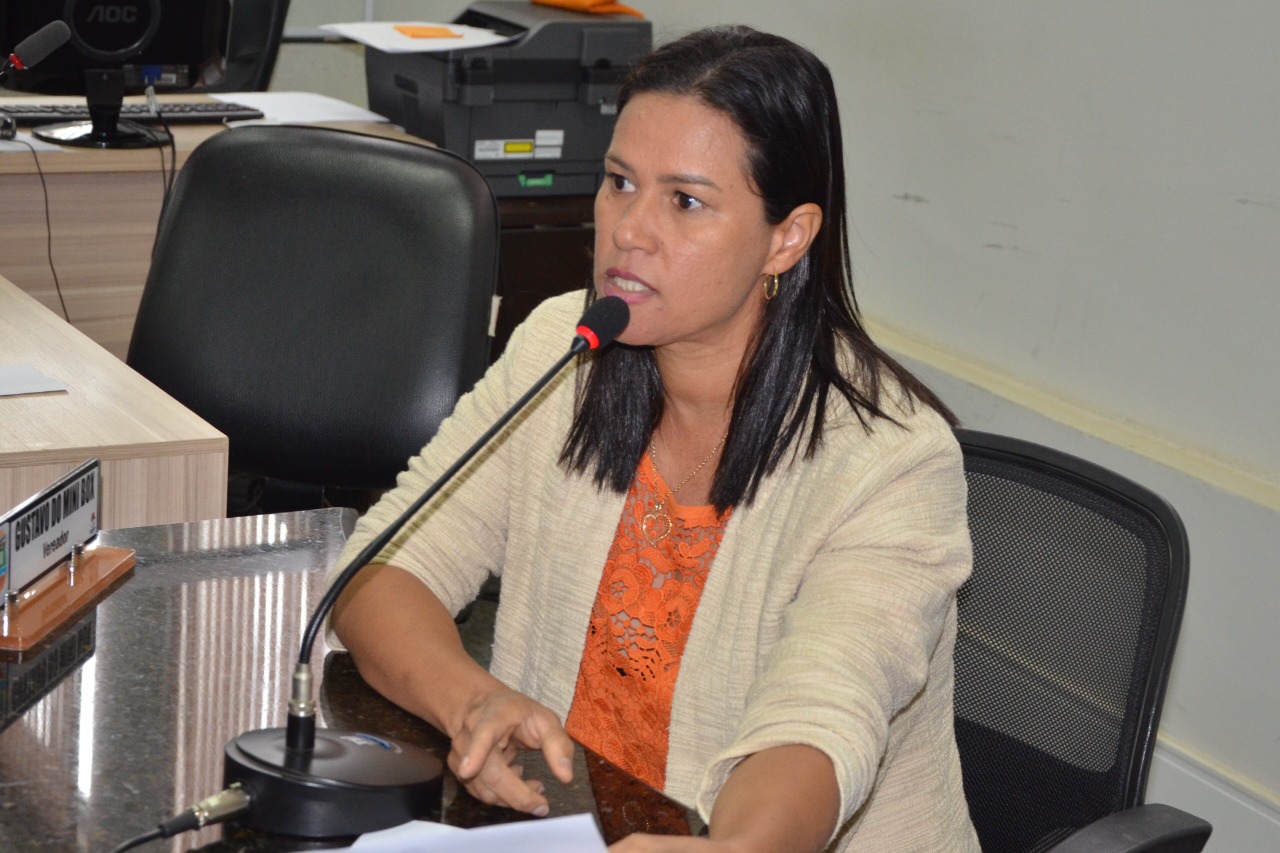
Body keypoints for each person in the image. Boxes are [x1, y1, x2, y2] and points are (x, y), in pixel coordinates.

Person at [328, 25, 980, 853]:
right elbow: (382, 571)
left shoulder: (893, 462)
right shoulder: (561, 349)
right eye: (620, 182)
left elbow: (820, 722)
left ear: (787, 237)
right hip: (570, 827)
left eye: (685, 201)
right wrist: (472, 701)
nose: (630, 229)